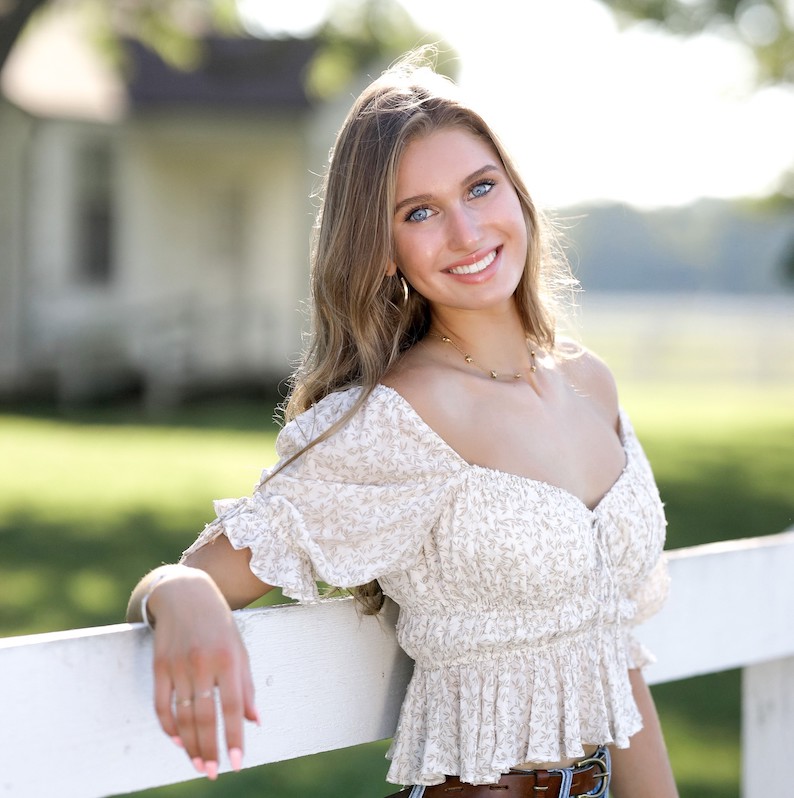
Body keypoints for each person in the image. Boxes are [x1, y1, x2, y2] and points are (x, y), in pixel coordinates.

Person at [127, 48, 679, 798]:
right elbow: (197, 576)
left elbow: (617, 652)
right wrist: (174, 593)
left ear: (516, 195)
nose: (465, 230)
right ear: (383, 251)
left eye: (481, 188)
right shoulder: (400, 418)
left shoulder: (592, 384)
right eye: (420, 212)